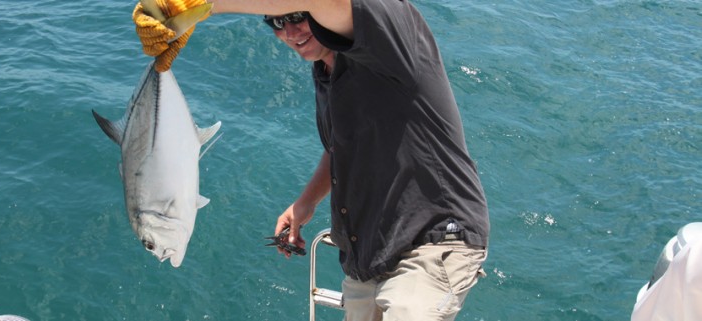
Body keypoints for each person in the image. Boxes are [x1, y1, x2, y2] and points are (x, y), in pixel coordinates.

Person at [134, 0, 491, 320]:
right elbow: (340, 147)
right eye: (275, 22)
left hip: (432, 239)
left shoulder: (393, 33)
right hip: (368, 254)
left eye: (296, 16)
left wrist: (203, 5)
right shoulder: (325, 72)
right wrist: (305, 203)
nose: (289, 31)